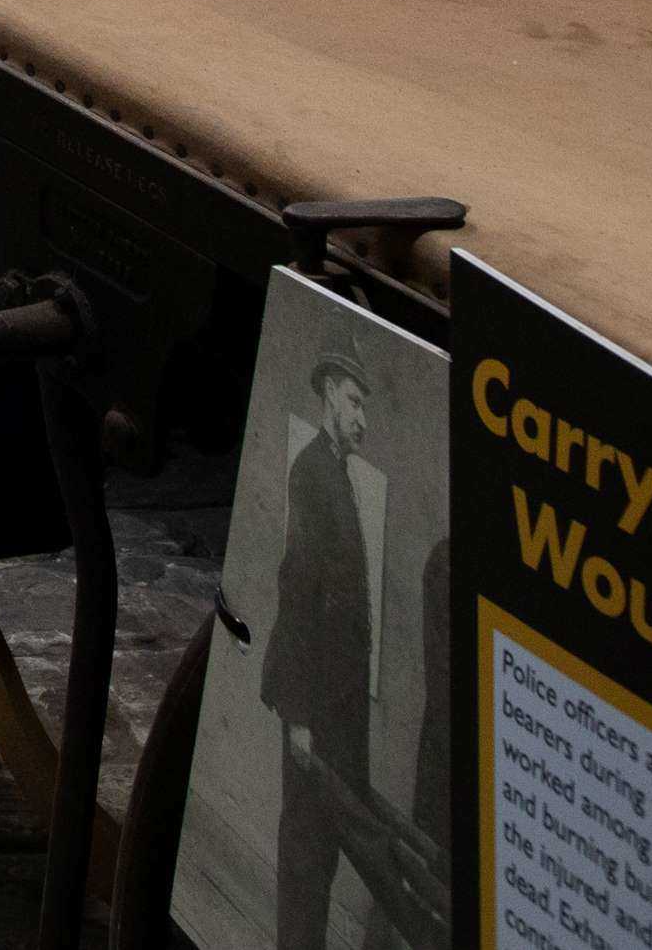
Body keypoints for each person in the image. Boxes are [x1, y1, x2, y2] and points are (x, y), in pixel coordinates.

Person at [266, 351, 380, 950]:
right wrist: (300, 717)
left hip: (337, 707)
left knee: (324, 852)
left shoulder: (337, 474)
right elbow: (299, 593)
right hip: (315, 706)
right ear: (331, 395)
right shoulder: (312, 471)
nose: (363, 420)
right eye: (356, 403)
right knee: (307, 854)